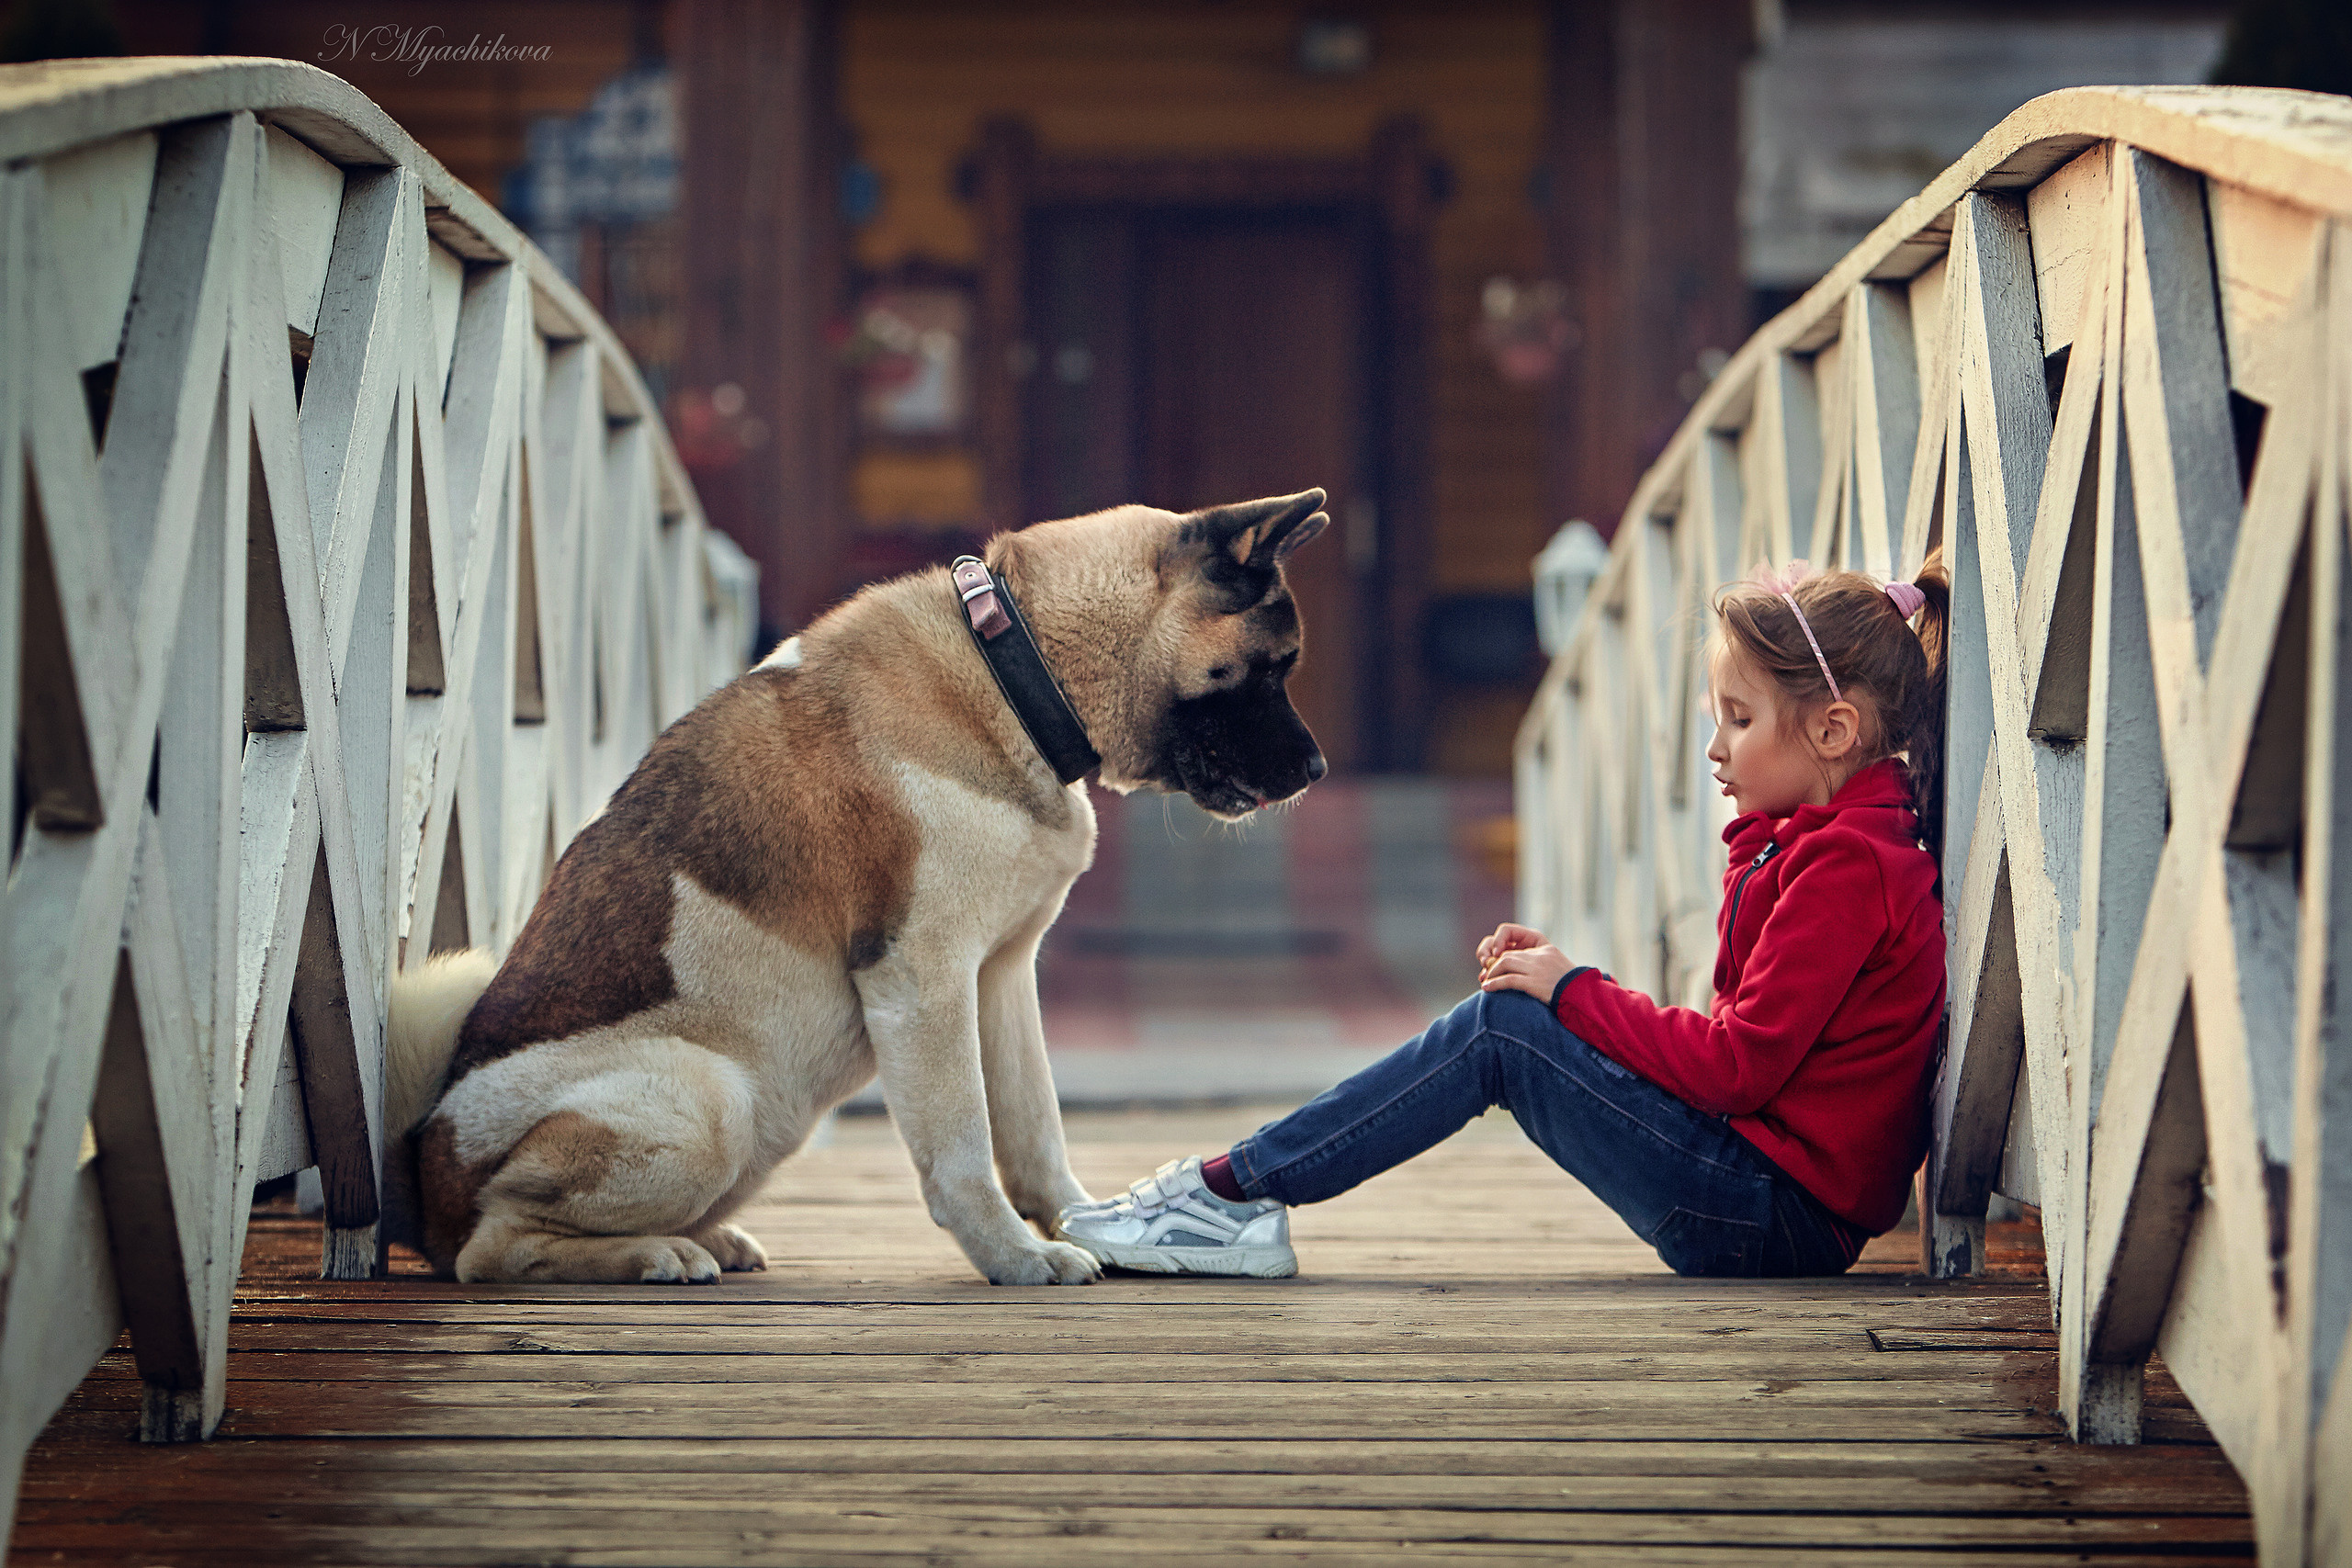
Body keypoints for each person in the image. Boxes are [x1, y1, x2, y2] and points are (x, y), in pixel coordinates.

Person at [1057, 557, 1952, 1280]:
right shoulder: (1830, 846)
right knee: (1513, 1021)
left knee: (1502, 1030)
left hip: (1768, 1214)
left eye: (1740, 719)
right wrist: (1567, 990)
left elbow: (1733, 1068)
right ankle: (1237, 1191)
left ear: (1833, 733)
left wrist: (1571, 992)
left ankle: (1232, 1192)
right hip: (1765, 1194)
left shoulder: (1843, 867)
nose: (1714, 746)